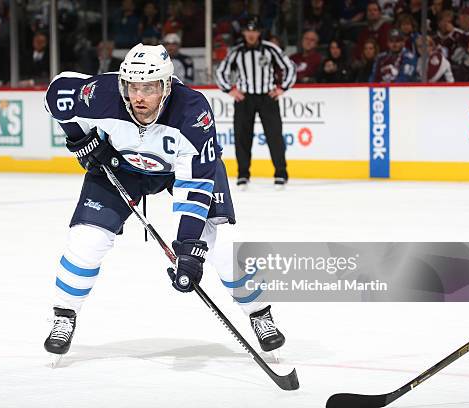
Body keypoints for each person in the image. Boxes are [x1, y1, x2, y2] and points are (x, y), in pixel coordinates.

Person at [43, 43, 286, 360]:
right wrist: (80, 137)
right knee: (87, 240)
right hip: (119, 165)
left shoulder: (192, 112)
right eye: (132, 87)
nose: (139, 96)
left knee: (219, 241)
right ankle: (64, 315)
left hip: (177, 171)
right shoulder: (100, 94)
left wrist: (188, 248)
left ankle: (258, 312)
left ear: (166, 85)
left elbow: (195, 186)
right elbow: (57, 94)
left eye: (148, 87)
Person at [217, 16, 296, 190]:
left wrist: (282, 88)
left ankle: (281, 174)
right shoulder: (236, 51)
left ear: (259, 32)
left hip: (267, 97)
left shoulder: (270, 49)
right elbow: (221, 71)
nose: (251, 34)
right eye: (248, 31)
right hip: (245, 98)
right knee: (242, 136)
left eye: (254, 31)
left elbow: (290, 67)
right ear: (244, 33)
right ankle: (243, 175)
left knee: (274, 135)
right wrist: (230, 90)